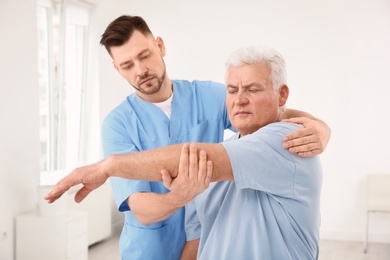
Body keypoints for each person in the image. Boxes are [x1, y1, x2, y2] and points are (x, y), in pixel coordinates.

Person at [46, 45, 322, 259]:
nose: (239, 99)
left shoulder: (287, 142)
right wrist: (180, 195)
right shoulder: (213, 166)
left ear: (282, 95)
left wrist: (107, 166)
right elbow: (195, 242)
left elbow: (195, 157)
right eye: (232, 90)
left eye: (252, 89)